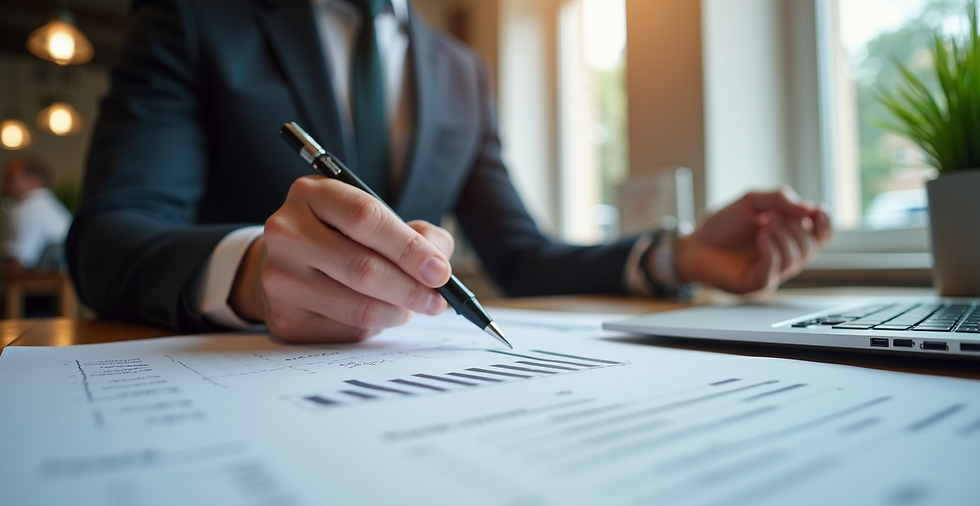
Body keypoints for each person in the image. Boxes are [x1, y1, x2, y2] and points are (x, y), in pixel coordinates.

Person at [67, 0, 832, 343]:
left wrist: (678, 254)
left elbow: (522, 255)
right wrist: (250, 269)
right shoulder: (196, 16)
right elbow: (108, 236)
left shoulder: (462, 69)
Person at [2, 158, 72, 273]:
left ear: (34, 181)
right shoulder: (56, 208)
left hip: (36, 288)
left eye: (10, 178)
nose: (3, 184)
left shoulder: (24, 210)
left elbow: (14, 266)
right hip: (64, 287)